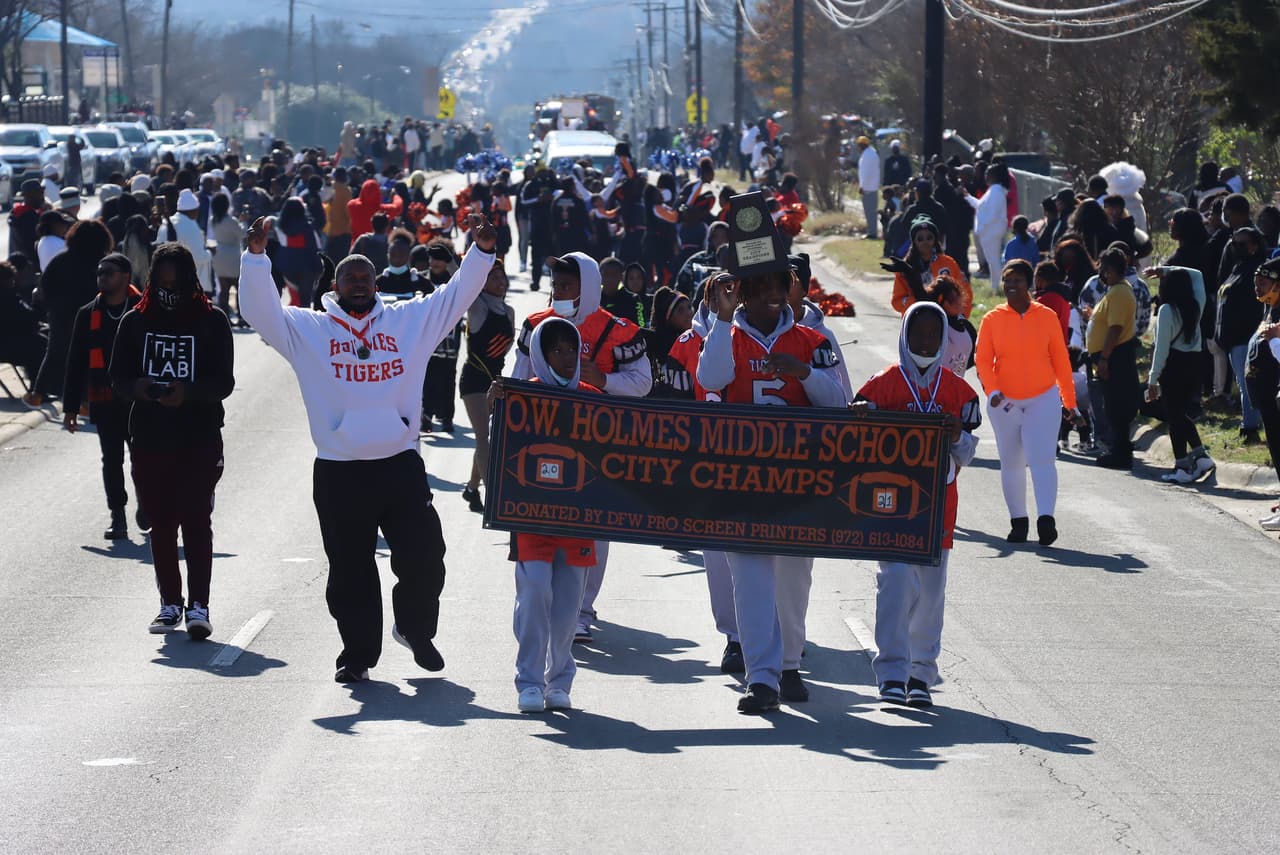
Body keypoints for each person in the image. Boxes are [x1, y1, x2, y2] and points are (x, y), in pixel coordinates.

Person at [238, 212, 497, 682]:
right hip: (340, 470)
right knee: (350, 570)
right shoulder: (309, 329)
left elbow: (456, 296)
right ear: (335, 285)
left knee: (425, 556)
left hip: (399, 464)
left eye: (366, 277)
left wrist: (480, 253)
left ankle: (416, 630)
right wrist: (256, 259)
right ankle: (357, 655)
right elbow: (259, 312)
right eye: (349, 278)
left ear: (376, 283)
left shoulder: (407, 321)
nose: (359, 284)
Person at [696, 254, 847, 713]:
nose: (771, 294)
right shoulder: (727, 334)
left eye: (778, 284)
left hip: (800, 481)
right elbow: (710, 378)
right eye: (759, 285)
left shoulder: (813, 339)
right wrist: (722, 320)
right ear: (741, 291)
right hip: (743, 481)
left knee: (794, 579)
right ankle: (761, 679)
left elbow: (840, 403)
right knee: (751, 580)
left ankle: (788, 665)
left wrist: (804, 374)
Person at [511, 252, 652, 644]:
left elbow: (643, 384)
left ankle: (582, 609)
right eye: (556, 285)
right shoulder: (537, 325)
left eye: (569, 286)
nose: (560, 292)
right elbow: (519, 378)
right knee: (540, 523)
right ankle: (543, 598)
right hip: (542, 442)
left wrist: (603, 379)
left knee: (595, 530)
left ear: (588, 288)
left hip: (596, 446)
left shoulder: (618, 330)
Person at [850, 301, 979, 707]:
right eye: (918, 332)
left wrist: (957, 435)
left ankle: (922, 674)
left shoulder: (958, 391)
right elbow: (856, 439)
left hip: (938, 507)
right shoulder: (883, 383)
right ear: (904, 334)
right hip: (890, 506)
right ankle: (891, 671)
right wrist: (861, 420)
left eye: (933, 334)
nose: (925, 340)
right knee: (894, 584)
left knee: (930, 592)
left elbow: (969, 452)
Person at [109, 243, 235, 637]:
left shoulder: (211, 320)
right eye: (162, 282)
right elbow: (119, 377)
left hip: (199, 438)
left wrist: (189, 393)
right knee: (161, 524)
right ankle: (169, 604)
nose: (169, 291)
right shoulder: (135, 322)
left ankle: (199, 605)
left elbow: (224, 381)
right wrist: (142, 387)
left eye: (176, 283)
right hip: (149, 437)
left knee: (197, 521)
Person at [499, 317, 600, 713]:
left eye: (571, 349)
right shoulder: (521, 397)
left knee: (567, 610)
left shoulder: (593, 397)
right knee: (536, 592)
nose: (565, 357)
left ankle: (559, 680)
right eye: (556, 350)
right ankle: (528, 681)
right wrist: (498, 403)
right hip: (533, 521)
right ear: (541, 354)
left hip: (578, 524)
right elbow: (502, 446)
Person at [975, 259, 1080, 545]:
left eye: (1017, 281)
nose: (1011, 285)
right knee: (1011, 463)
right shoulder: (992, 319)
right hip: (1004, 404)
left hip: (1042, 399)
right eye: (1007, 280)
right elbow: (982, 359)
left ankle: (1046, 519)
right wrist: (993, 392)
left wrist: (1070, 402)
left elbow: (1060, 360)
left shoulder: (1046, 317)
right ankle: (1018, 521)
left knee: (1042, 459)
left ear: (1030, 284)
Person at [62, 253, 145, 539]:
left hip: (140, 401)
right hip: (105, 400)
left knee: (144, 458)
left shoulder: (144, 309)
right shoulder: (87, 314)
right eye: (100, 273)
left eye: (108, 272)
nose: (102, 277)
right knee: (111, 459)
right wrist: (70, 407)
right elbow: (75, 362)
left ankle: (146, 503)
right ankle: (118, 516)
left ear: (125, 277)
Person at [1145, 265, 1214, 483]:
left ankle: (1182, 467)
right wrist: (1166, 269)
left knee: (1175, 418)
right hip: (1194, 364)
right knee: (1178, 414)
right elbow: (1198, 274)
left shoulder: (1167, 310)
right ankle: (1201, 456)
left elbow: (1161, 348)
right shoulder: (1196, 306)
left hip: (1173, 366)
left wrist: (1153, 379)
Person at [31, 219, 114, 402]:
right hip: (90, 315)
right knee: (88, 356)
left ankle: (38, 392)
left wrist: (53, 307)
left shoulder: (60, 259)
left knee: (54, 353)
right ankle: (85, 400)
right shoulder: (101, 262)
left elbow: (45, 285)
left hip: (59, 315)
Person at [460, 259, 514, 514]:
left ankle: (472, 488)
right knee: (484, 437)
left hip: (496, 381)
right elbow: (463, 285)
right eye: (494, 278)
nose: (500, 282)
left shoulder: (510, 311)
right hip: (473, 379)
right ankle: (495, 496)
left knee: (487, 439)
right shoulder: (477, 305)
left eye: (503, 278)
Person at [1087, 247, 1141, 470]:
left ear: (1109, 269)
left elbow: (1115, 328)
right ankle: (1118, 449)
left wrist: (1104, 359)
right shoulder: (1116, 291)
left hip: (1115, 357)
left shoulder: (1119, 292)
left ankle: (1120, 454)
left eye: (1103, 268)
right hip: (1112, 355)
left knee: (1116, 406)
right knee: (1112, 406)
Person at [1216, 226, 1268, 444]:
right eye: (1233, 243)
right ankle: (1250, 424)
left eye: (1241, 243)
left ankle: (1250, 428)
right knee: (1242, 383)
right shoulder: (1238, 268)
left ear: (1253, 247)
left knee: (1248, 386)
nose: (1235, 247)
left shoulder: (1257, 271)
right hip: (1230, 339)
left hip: (1244, 338)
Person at [1245, 257, 1280, 531]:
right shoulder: (1269, 309)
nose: (1258, 288)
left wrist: (1274, 338)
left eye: (1264, 283)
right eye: (1256, 283)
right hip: (1265, 397)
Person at [885, 217, 970, 317]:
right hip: (915, 319)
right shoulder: (904, 268)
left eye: (929, 237)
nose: (925, 242)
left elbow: (964, 291)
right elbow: (897, 301)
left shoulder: (949, 263)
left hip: (947, 318)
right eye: (920, 239)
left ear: (935, 240)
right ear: (914, 242)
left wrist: (961, 315)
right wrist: (917, 303)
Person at [0, 260, 46, 389]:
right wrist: (37, 301)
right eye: (11, 280)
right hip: (7, 348)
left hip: (6, 343)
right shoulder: (8, 298)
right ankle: (38, 388)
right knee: (41, 343)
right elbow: (30, 319)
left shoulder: (8, 296)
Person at [967, 162, 1010, 282]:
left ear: (995, 176)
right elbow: (980, 205)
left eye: (988, 173)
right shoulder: (992, 190)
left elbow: (993, 214)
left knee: (994, 260)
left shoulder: (996, 191)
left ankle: (996, 286)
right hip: (989, 231)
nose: (985, 175)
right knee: (992, 260)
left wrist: (982, 227)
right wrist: (967, 197)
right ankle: (995, 285)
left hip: (991, 231)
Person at [927, 273, 977, 377]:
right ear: (944, 303)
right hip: (934, 384)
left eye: (959, 295)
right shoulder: (935, 325)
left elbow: (973, 357)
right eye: (954, 300)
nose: (960, 301)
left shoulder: (965, 325)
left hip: (956, 385)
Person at [209, 193, 245, 322]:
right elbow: (243, 235)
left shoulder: (213, 220)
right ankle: (242, 317)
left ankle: (225, 318)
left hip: (219, 256)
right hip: (233, 256)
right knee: (239, 288)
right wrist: (244, 221)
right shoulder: (231, 220)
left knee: (224, 290)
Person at [856, 136, 881, 240]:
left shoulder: (868, 155)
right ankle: (872, 231)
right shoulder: (870, 153)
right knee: (870, 212)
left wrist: (862, 186)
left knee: (870, 212)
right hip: (871, 186)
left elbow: (865, 173)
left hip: (868, 187)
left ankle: (872, 233)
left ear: (863, 145)